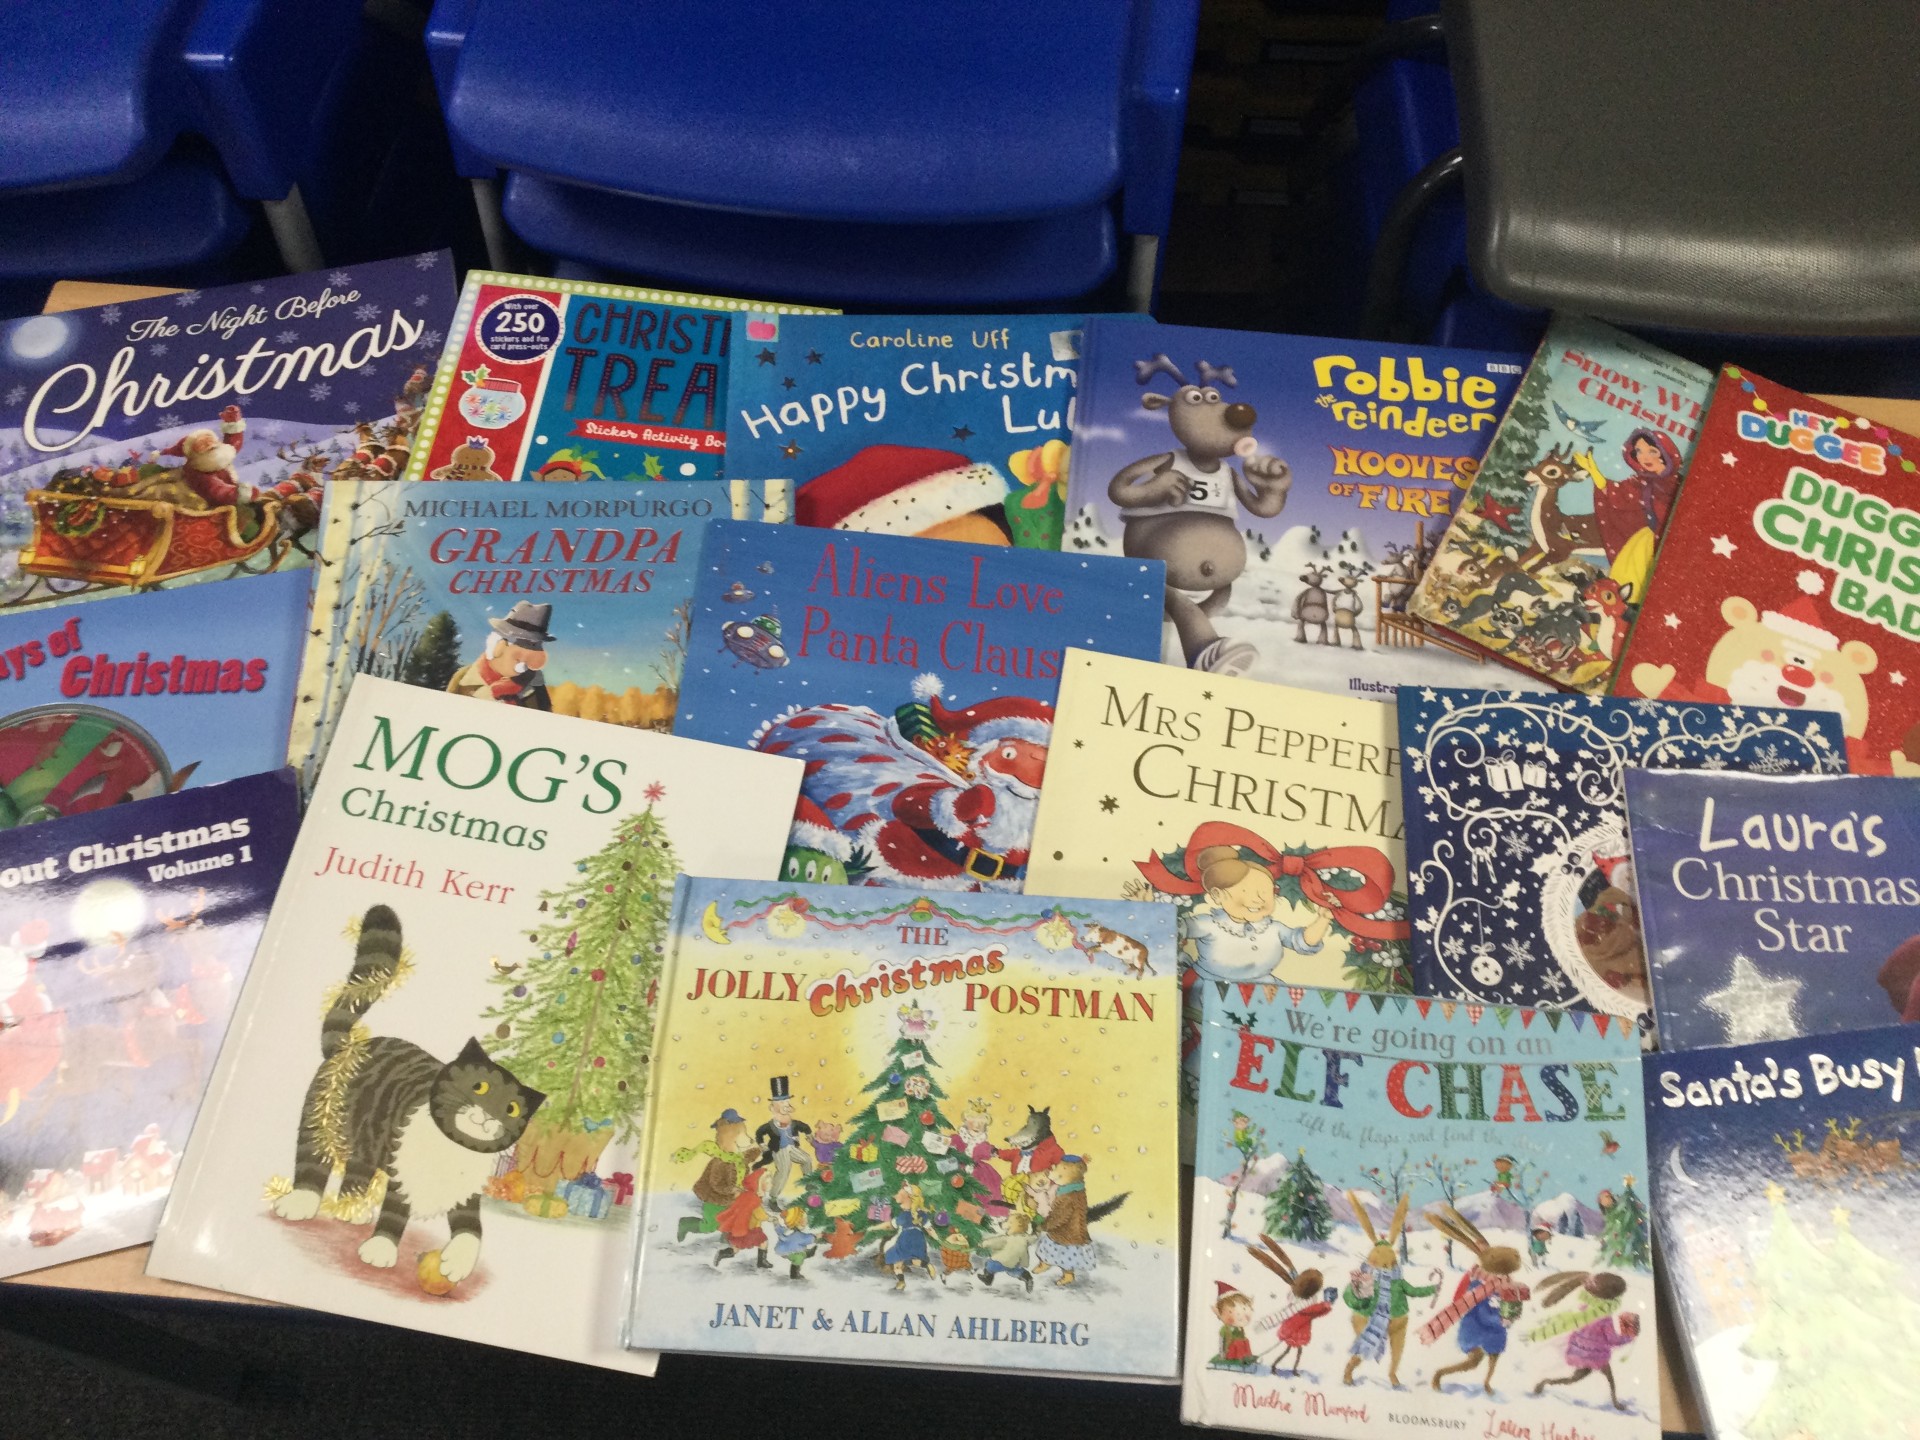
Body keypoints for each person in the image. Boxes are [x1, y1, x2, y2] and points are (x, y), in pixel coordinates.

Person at [754, 1075, 816, 1201]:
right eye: (782, 1103)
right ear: (772, 1107)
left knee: (807, 1159)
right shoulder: (770, 1126)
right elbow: (759, 1132)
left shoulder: (792, 1123)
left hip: (792, 1148)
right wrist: (762, 1144)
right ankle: (773, 1197)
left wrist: (809, 1135)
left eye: (787, 1102)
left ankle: (810, 1185)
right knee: (784, 1169)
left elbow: (804, 1127)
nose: (785, 1105)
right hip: (779, 1150)